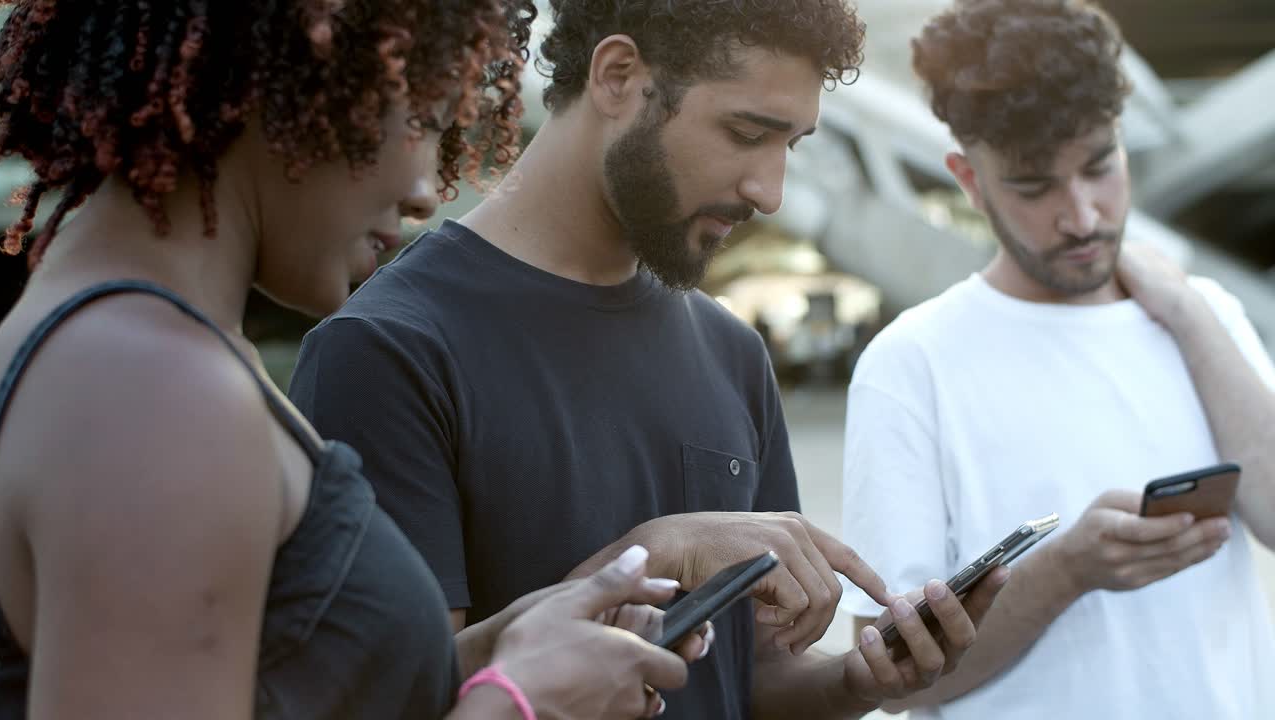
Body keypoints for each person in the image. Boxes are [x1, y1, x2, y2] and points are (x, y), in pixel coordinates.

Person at [288, 1, 1009, 718]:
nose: (770, 192)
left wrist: (858, 682)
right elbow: (391, 694)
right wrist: (657, 554)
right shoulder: (385, 351)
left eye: (790, 145)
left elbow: (750, 679)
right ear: (617, 76)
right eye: (746, 133)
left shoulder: (731, 353)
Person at [0, 2, 712, 718]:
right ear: (291, 84)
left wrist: (513, 651)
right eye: (422, 121)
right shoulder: (156, 392)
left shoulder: (130, 346)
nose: (425, 192)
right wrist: (523, 703)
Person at [838, 1, 1275, 717]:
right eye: (1034, 186)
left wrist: (1187, 312)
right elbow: (894, 676)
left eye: (1099, 167)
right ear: (969, 180)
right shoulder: (911, 364)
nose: (1082, 216)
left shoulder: (1205, 315)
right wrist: (1067, 570)